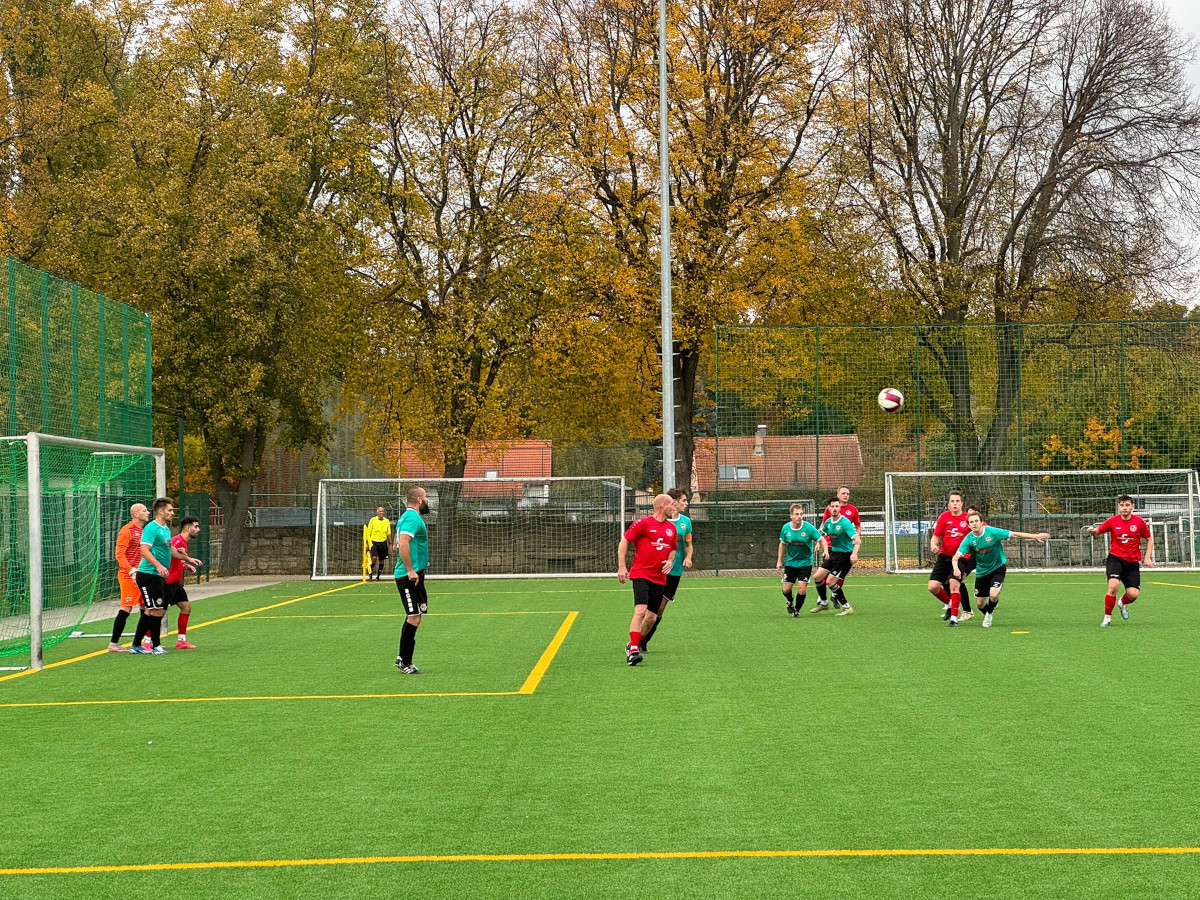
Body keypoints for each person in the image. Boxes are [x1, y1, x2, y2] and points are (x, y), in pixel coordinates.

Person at [952, 512, 1049, 628]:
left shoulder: (992, 532)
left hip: (998, 568)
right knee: (980, 604)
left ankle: (989, 614)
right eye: (971, 522)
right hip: (982, 571)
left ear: (981, 523)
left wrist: (1035, 536)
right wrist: (956, 569)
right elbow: (955, 557)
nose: (974, 524)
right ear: (968, 525)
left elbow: (1015, 534)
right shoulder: (968, 539)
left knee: (993, 595)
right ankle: (988, 612)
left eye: (976, 521)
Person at [617, 494, 678, 666]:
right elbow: (624, 541)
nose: (674, 508)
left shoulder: (671, 529)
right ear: (662, 506)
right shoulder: (642, 523)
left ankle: (632, 644)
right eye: (672, 505)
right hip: (641, 573)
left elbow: (673, 548)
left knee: (651, 618)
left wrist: (670, 560)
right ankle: (634, 652)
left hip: (660, 577)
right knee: (641, 610)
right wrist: (622, 566)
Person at [1088, 494, 1155, 627]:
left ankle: (1122, 603)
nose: (1124, 508)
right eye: (1122, 505)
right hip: (1115, 559)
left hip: (1132, 562)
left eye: (1127, 505)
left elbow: (1149, 539)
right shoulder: (1112, 521)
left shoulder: (1139, 522)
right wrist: (1092, 531)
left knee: (1133, 594)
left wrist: (1147, 557)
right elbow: (1097, 533)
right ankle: (1107, 618)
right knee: (1113, 586)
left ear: (1132, 507)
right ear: (1118, 507)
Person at [130, 498, 184, 654]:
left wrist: (187, 559)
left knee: (151, 610)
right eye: (170, 510)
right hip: (148, 575)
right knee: (157, 610)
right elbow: (144, 550)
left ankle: (136, 645)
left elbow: (171, 550)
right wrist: (159, 566)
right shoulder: (151, 528)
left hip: (157, 576)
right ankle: (156, 646)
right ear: (161, 511)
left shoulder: (165, 529)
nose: (172, 513)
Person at [642, 488, 693, 650]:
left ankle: (643, 641)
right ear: (674, 501)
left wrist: (688, 557)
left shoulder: (686, 522)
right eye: (684, 500)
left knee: (660, 609)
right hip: (656, 571)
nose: (686, 503)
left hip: (675, 571)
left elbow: (689, 544)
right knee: (648, 608)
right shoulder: (658, 522)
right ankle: (637, 640)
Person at [394, 487, 430, 674]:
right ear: (418, 499)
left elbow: (401, 543)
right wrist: (410, 569)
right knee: (413, 617)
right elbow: (402, 543)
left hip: (415, 574)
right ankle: (404, 661)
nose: (427, 500)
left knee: (416, 616)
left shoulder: (408, 518)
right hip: (409, 577)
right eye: (426, 497)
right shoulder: (411, 517)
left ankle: (403, 657)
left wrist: (421, 560)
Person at [928, 490, 974, 624]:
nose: (955, 504)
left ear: (962, 504)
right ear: (948, 504)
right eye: (952, 501)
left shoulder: (967, 518)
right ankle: (950, 604)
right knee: (933, 586)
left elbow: (979, 532)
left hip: (961, 557)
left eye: (957, 501)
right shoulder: (943, 517)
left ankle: (954, 619)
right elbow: (935, 536)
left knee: (954, 583)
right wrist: (933, 544)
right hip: (945, 556)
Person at [108, 503, 149, 652]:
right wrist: (131, 571)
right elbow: (119, 554)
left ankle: (144, 642)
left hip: (142, 575)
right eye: (144, 510)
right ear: (136, 514)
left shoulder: (144, 531)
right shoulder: (127, 530)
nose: (148, 512)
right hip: (128, 575)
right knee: (127, 607)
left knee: (147, 607)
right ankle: (113, 644)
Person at [812, 497, 861, 615]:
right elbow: (821, 534)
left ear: (839, 508)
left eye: (837, 506)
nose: (834, 509)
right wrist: (818, 543)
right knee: (817, 577)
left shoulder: (845, 523)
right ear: (828, 508)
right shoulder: (828, 522)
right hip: (834, 553)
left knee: (830, 582)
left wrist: (854, 554)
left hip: (845, 556)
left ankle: (846, 606)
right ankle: (823, 603)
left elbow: (857, 539)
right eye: (832, 506)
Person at [776, 503, 826, 617]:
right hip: (791, 562)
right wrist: (779, 560)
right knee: (786, 589)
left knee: (802, 590)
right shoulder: (785, 528)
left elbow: (821, 539)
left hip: (805, 563)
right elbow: (782, 544)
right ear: (791, 516)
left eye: (801, 514)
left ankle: (797, 610)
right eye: (796, 514)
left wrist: (825, 551)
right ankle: (789, 601)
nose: (799, 516)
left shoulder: (808, 527)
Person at [165, 516, 204, 649]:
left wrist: (185, 565)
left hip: (176, 583)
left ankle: (181, 641)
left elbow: (177, 558)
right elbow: (169, 553)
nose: (198, 529)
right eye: (196, 526)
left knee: (186, 607)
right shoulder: (176, 540)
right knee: (157, 612)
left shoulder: (183, 542)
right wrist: (189, 559)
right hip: (167, 582)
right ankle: (148, 641)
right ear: (187, 528)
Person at [366, 506, 393, 582]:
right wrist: (367, 543)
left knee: (382, 560)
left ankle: (378, 576)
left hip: (383, 542)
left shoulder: (386, 521)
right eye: (380, 511)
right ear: (377, 512)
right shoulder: (373, 520)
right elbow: (368, 532)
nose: (381, 513)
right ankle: (370, 574)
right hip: (374, 542)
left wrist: (390, 543)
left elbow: (388, 533)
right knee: (374, 558)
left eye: (383, 511)